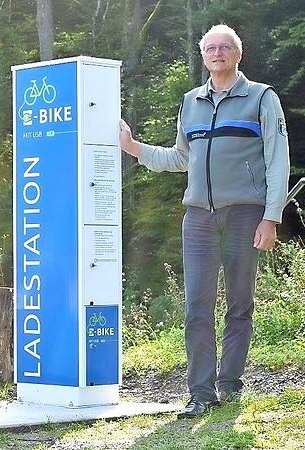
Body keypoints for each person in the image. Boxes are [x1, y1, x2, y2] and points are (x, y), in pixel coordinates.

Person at [118, 24, 290, 418]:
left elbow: (277, 161)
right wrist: (133, 147)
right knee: (197, 306)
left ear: (237, 54)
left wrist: (271, 217)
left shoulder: (261, 98)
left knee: (239, 303)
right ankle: (200, 392)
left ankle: (229, 384)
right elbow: (181, 159)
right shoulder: (190, 101)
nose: (217, 52)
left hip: (245, 213)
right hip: (197, 218)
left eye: (224, 47)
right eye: (210, 47)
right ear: (203, 56)